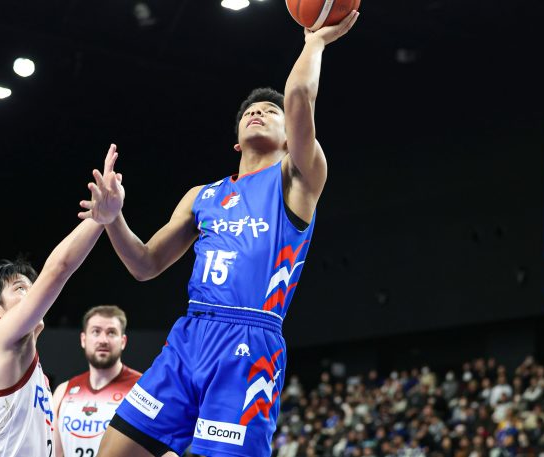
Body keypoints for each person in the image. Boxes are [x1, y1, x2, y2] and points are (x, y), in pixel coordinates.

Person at [79, 11, 360, 457]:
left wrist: (315, 42)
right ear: (236, 141)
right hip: (189, 336)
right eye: (250, 111)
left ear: (291, 136)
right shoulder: (202, 196)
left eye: (270, 111)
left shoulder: (297, 180)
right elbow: (145, 265)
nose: (258, 112)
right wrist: (113, 218)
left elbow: (299, 97)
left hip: (249, 343)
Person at [0, 148, 121, 456]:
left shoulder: (35, 374)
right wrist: (100, 219)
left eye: (32, 288)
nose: (33, 295)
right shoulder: (1, 342)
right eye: (21, 288)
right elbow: (58, 269)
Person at [53, 306, 142, 457]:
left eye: (111, 332)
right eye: (96, 331)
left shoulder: (141, 389)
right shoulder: (63, 391)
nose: (103, 340)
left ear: (123, 341)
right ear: (83, 339)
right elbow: (54, 452)